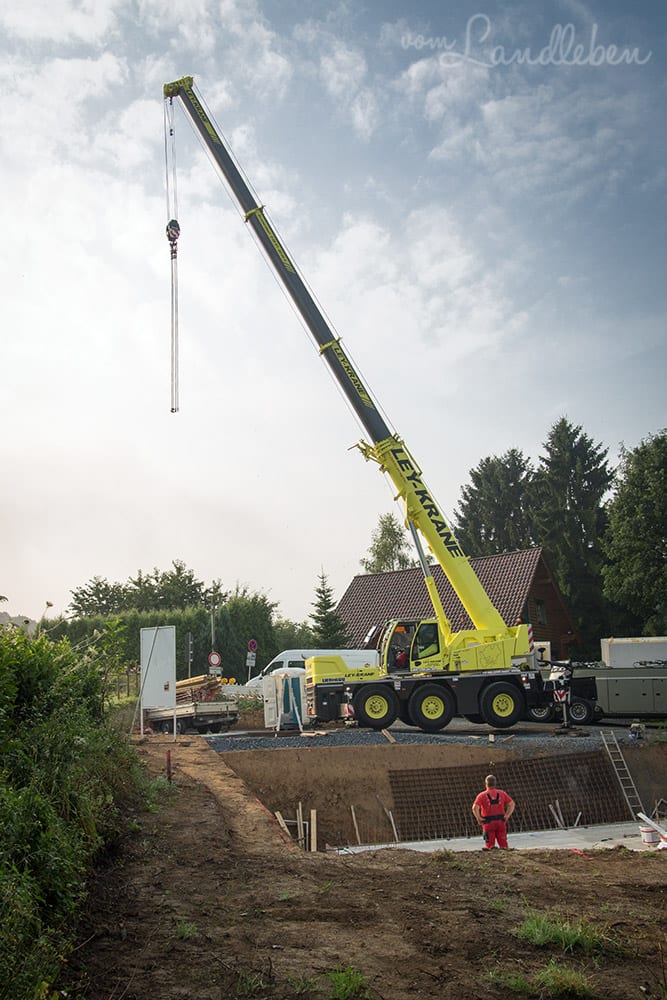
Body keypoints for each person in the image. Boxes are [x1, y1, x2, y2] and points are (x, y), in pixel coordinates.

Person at [472, 774, 515, 849]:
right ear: (495, 783)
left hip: (488, 822)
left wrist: (479, 818)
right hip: (501, 822)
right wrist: (507, 815)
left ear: (486, 784)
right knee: (503, 844)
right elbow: (511, 804)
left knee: (489, 846)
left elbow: (475, 808)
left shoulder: (482, 795)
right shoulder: (502, 793)